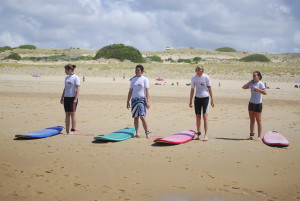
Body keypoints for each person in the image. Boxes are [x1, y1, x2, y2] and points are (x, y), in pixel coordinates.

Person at [189, 65, 214, 141]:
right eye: (198, 72)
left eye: (201, 72)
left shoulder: (206, 77)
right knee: (198, 117)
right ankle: (199, 134)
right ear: (196, 71)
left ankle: (206, 135)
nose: (199, 73)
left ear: (203, 71)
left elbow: (209, 88)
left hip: (206, 98)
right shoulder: (194, 78)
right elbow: (192, 89)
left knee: (205, 116)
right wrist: (190, 101)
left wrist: (212, 99)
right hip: (197, 98)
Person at [127, 65, 150, 138]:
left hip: (141, 100)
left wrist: (147, 102)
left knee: (142, 116)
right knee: (136, 117)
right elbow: (130, 91)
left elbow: (147, 91)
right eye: (136, 70)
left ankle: (147, 133)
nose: (137, 71)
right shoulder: (133, 79)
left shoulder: (144, 79)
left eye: (138, 70)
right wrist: (127, 101)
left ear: (142, 71)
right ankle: (136, 133)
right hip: (134, 100)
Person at [242, 71, 267, 141]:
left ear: (258, 77)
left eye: (254, 76)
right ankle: (251, 135)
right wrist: (250, 81)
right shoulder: (252, 83)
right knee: (252, 120)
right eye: (253, 76)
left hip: (258, 104)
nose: (253, 77)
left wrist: (257, 89)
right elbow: (243, 87)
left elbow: (265, 93)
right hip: (251, 103)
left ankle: (259, 136)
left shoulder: (261, 84)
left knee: (258, 120)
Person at [60, 64, 80, 134]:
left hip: (73, 98)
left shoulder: (76, 77)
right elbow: (65, 88)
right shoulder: (66, 78)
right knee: (67, 114)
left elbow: (78, 89)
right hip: (66, 98)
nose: (65, 71)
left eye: (65, 70)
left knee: (73, 114)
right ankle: (67, 130)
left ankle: (73, 130)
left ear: (70, 70)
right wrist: (62, 97)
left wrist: (75, 98)